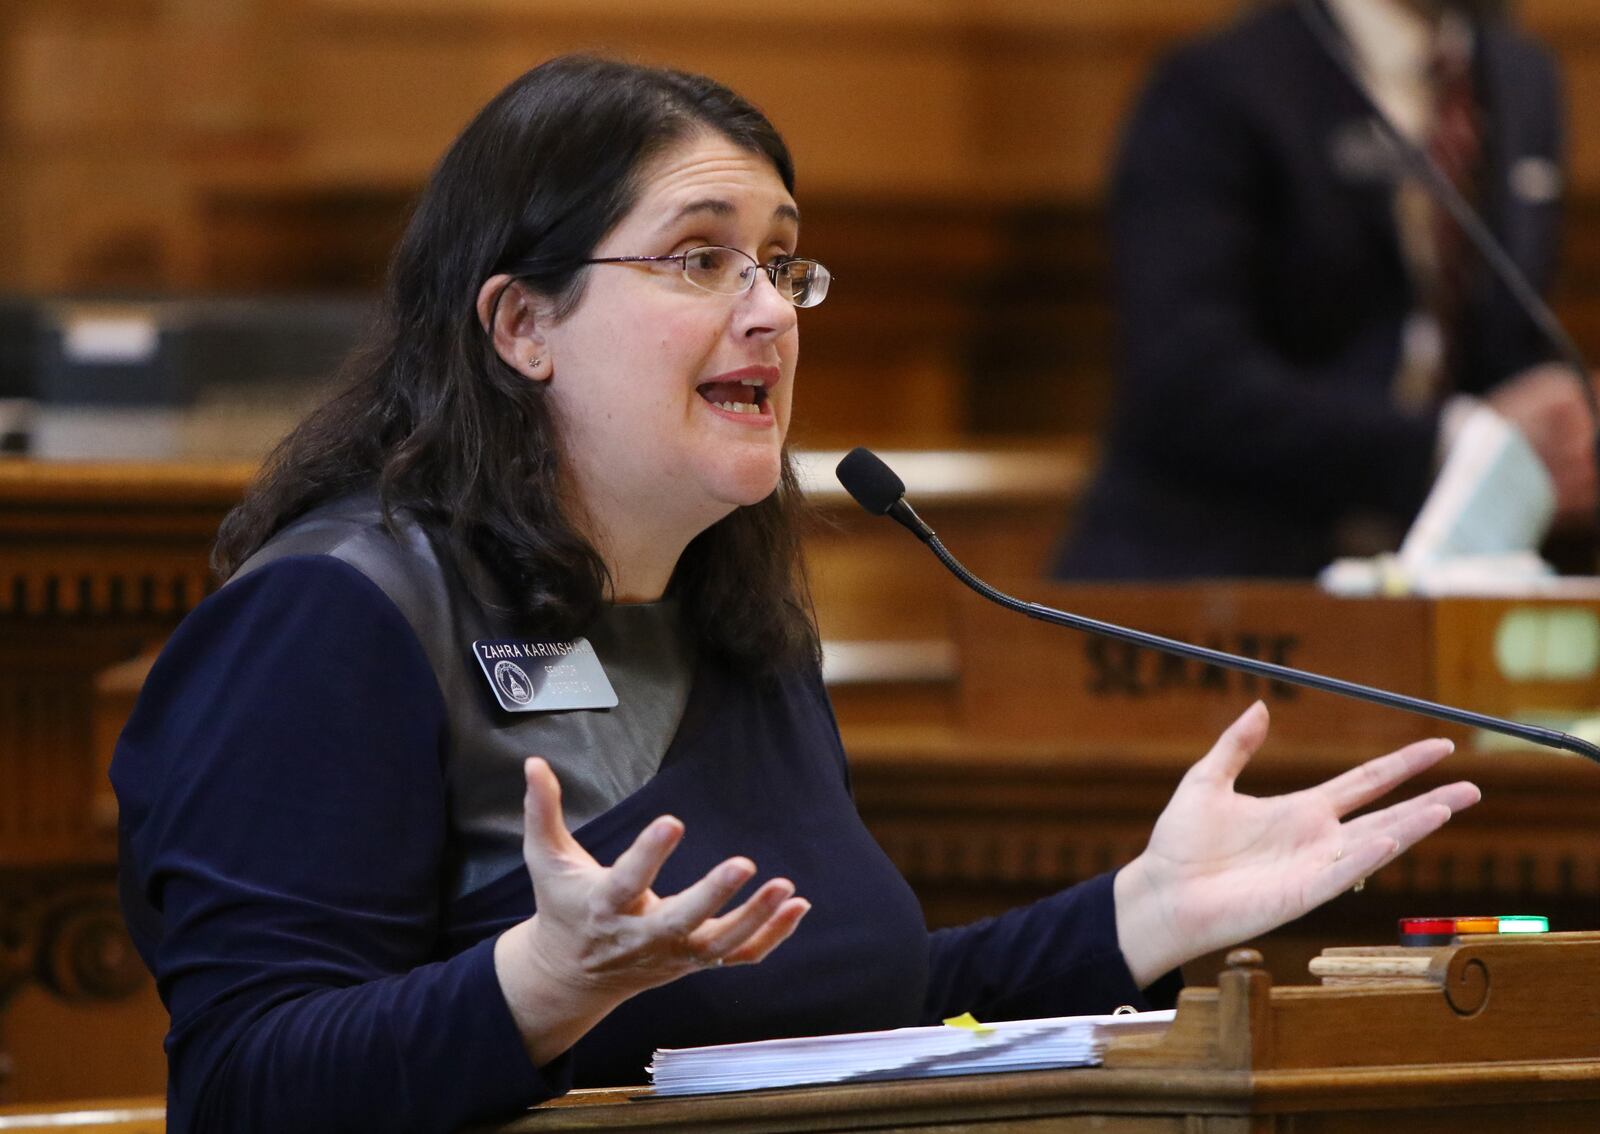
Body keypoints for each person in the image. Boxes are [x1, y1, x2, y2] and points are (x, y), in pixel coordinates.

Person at [111, 55, 1480, 1134]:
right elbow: (240, 1088)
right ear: (519, 323)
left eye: (783, 261)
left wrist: (1141, 914)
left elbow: (840, 1026)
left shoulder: (738, 619)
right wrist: (535, 984)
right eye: (701, 258)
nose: (770, 309)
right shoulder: (333, 619)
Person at [1056, 0, 1595, 580]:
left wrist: (1564, 423)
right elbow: (1189, 384)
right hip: (1219, 588)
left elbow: (1496, 339)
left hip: (1440, 583)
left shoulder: (1519, 78)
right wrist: (1456, 443)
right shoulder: (1217, 85)